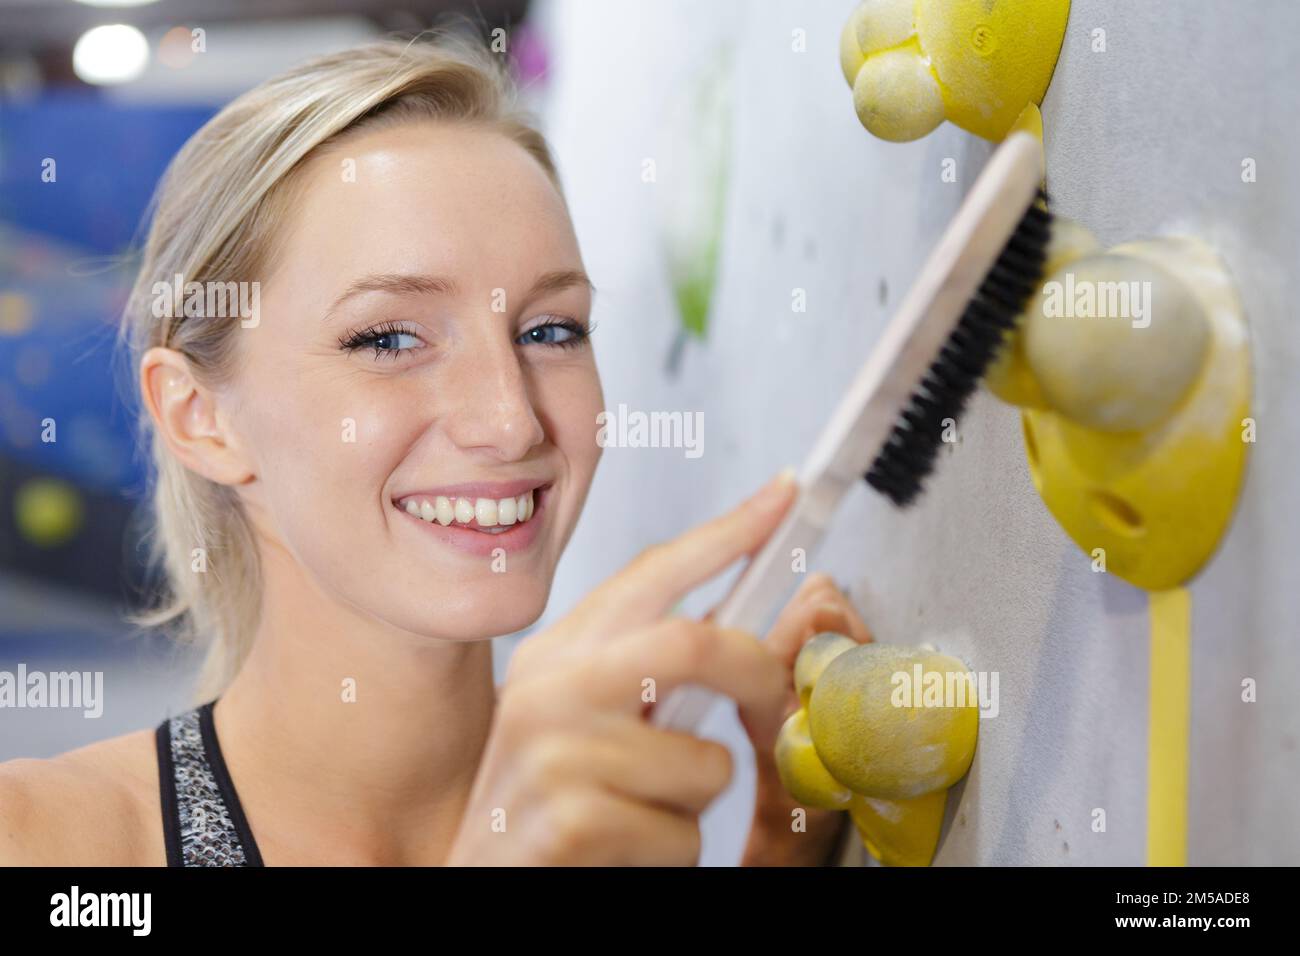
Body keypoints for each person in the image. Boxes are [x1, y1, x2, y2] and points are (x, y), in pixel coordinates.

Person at [0, 34, 871, 866]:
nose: (512, 420)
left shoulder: (614, 818)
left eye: (551, 328)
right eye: (387, 339)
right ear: (199, 417)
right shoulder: (43, 841)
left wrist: (777, 852)